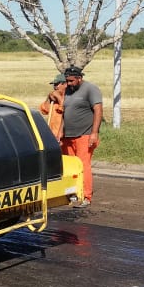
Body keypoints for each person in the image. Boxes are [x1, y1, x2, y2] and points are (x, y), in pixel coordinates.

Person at [60, 66, 102, 208]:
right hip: (68, 136)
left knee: (83, 166)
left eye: (71, 81)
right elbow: (64, 113)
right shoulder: (67, 90)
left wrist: (94, 133)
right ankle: (73, 194)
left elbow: (98, 110)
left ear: (79, 78)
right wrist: (60, 132)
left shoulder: (91, 89)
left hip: (85, 134)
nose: (69, 83)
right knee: (71, 167)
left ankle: (86, 196)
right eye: (67, 81)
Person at [39, 73, 66, 140]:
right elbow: (44, 111)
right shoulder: (53, 100)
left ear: (65, 84)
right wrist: (48, 98)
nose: (55, 87)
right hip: (52, 134)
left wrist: (59, 98)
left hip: (64, 136)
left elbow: (64, 110)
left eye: (57, 84)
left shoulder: (70, 97)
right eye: (54, 85)